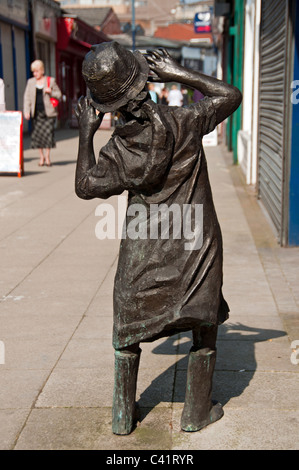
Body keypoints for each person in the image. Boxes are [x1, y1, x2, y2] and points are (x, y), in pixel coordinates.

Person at [75, 42, 242, 435]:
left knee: (127, 334)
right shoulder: (185, 120)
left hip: (144, 252)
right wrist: (178, 72)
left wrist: (86, 135)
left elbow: (84, 185)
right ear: (146, 81)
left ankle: (122, 417)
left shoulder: (117, 151)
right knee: (204, 328)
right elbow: (230, 95)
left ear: (107, 106)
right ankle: (196, 413)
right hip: (195, 244)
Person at [23, 60, 62, 167]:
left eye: (36, 71)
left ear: (41, 71)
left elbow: (59, 95)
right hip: (36, 113)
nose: (35, 74)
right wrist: (26, 111)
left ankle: (47, 157)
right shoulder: (30, 82)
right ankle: (41, 157)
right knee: (38, 137)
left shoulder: (50, 81)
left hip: (48, 113)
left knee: (48, 136)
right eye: (33, 72)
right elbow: (27, 98)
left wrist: (51, 91)